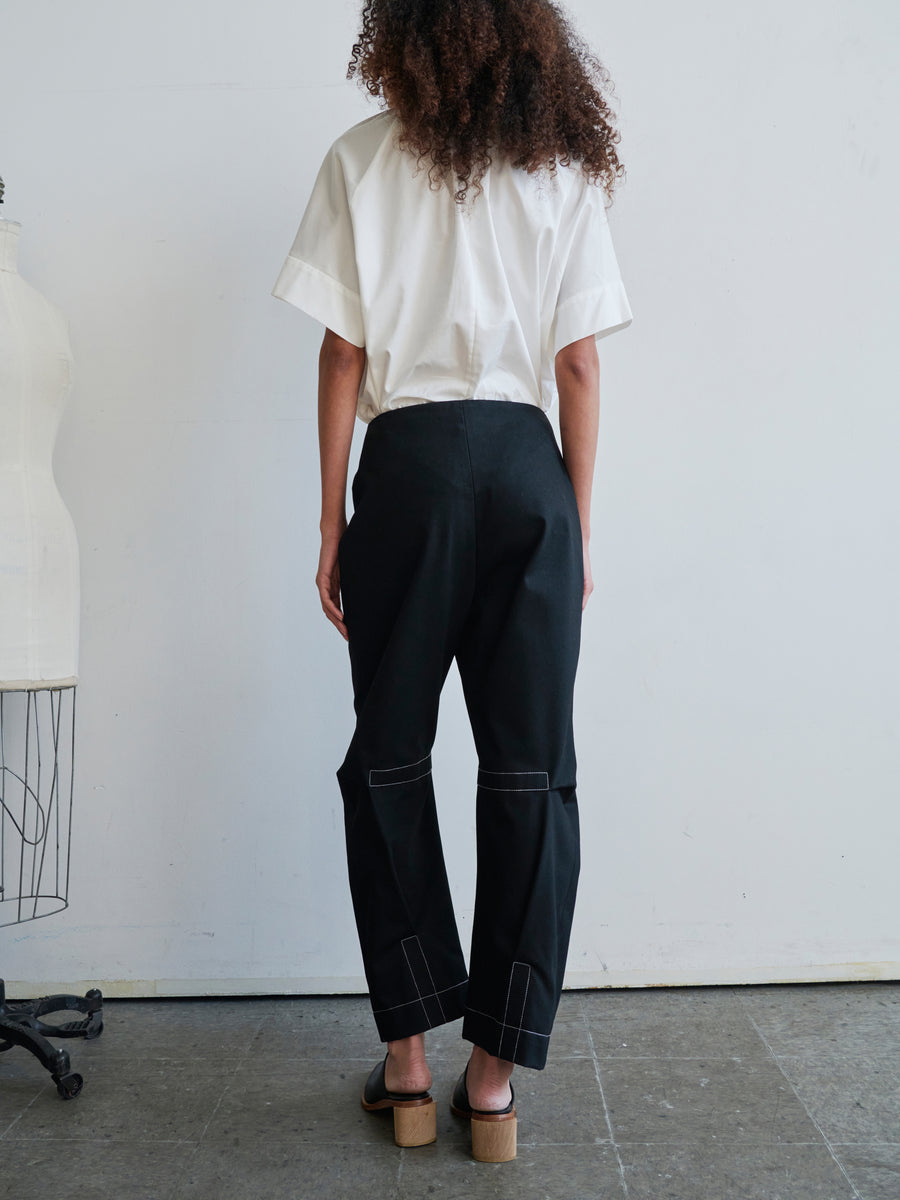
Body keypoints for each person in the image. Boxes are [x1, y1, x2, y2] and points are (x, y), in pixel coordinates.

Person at [272, 0, 632, 1163]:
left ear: (407, 34)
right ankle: (493, 1081)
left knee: (388, 753)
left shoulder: (362, 156)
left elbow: (342, 354)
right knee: (532, 769)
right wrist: (573, 527)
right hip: (529, 468)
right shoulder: (560, 163)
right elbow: (577, 363)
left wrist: (331, 518)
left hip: (414, 471)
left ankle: (409, 1064)